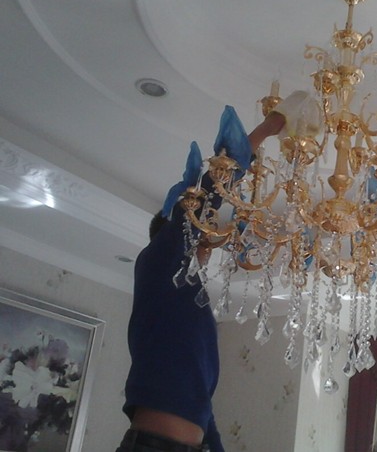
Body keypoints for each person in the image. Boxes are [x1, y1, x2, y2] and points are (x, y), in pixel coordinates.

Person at [115, 104, 287, 452]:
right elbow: (206, 195)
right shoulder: (156, 263)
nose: (210, 236)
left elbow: (201, 404)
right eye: (203, 229)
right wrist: (264, 131)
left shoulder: (185, 295)